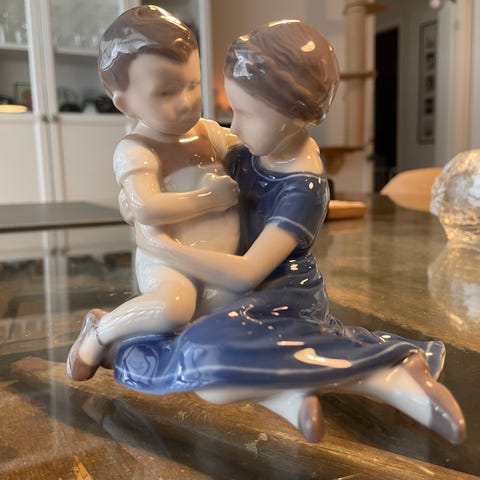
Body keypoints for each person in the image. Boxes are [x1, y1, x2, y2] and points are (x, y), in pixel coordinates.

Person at [114, 20, 466, 444]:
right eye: (233, 110)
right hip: (236, 296)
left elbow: (247, 272)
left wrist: (162, 246)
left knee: (207, 369)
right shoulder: (255, 146)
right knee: (208, 373)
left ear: (297, 115)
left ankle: (385, 374)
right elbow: (184, 163)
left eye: (247, 113)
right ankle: (298, 393)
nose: (234, 127)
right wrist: (138, 201)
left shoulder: (302, 188)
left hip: (279, 296)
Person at [66, 6, 239, 382]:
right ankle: (100, 332)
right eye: (166, 92)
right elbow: (145, 206)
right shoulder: (137, 149)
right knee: (174, 307)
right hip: (167, 261)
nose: (186, 101)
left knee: (235, 307)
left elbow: (249, 151)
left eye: (193, 84)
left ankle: (163, 353)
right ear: (125, 102)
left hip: (217, 260)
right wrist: (207, 199)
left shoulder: (208, 131)